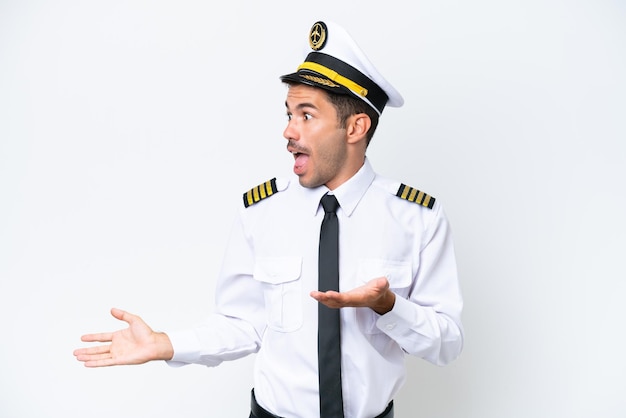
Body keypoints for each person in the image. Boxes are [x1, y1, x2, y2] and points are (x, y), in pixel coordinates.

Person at [74, 19, 464, 418]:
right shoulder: (261, 212)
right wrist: (167, 344)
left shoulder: (417, 219)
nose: (288, 131)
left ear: (355, 127)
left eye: (306, 115)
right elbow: (243, 323)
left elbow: (447, 344)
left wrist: (388, 305)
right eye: (289, 113)